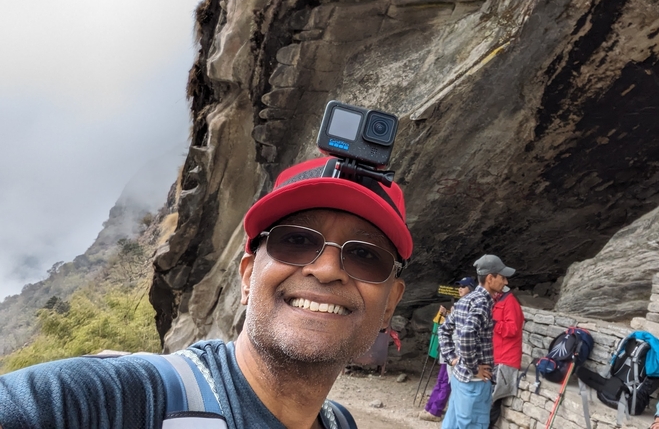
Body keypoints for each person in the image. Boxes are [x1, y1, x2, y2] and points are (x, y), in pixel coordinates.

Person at [0, 156, 412, 429]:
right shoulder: (127, 399)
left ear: (389, 303)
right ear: (248, 277)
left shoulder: (339, 423)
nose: (326, 269)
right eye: (296, 241)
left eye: (363, 255)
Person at [438, 254, 515, 429]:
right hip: (474, 384)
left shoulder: (465, 300)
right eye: (502, 277)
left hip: (459, 379)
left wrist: (452, 358)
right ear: (490, 278)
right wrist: (473, 368)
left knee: (453, 424)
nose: (506, 282)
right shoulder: (482, 302)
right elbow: (467, 335)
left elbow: (444, 330)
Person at [420, 277, 477, 422]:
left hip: (457, 350)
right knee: (441, 379)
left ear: (470, 288)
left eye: (463, 287)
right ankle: (430, 407)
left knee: (446, 380)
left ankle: (435, 410)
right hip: (450, 348)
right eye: (459, 286)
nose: (460, 289)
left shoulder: (471, 306)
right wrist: (447, 315)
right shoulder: (462, 305)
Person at [489, 273, 524, 428]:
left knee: (492, 401)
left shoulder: (510, 303)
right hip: (496, 357)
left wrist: (493, 323)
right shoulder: (499, 301)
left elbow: (512, 329)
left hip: (504, 360)